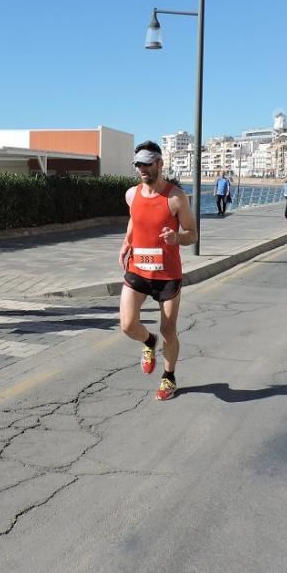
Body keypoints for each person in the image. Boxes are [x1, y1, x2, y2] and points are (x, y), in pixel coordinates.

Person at [118, 141, 197, 401]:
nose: (142, 168)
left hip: (167, 275)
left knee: (169, 329)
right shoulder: (132, 194)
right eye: (138, 164)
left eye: (147, 163)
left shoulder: (176, 198)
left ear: (160, 164)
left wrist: (177, 238)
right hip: (137, 269)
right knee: (128, 325)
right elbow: (134, 219)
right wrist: (126, 244)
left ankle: (169, 377)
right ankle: (148, 341)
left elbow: (192, 234)